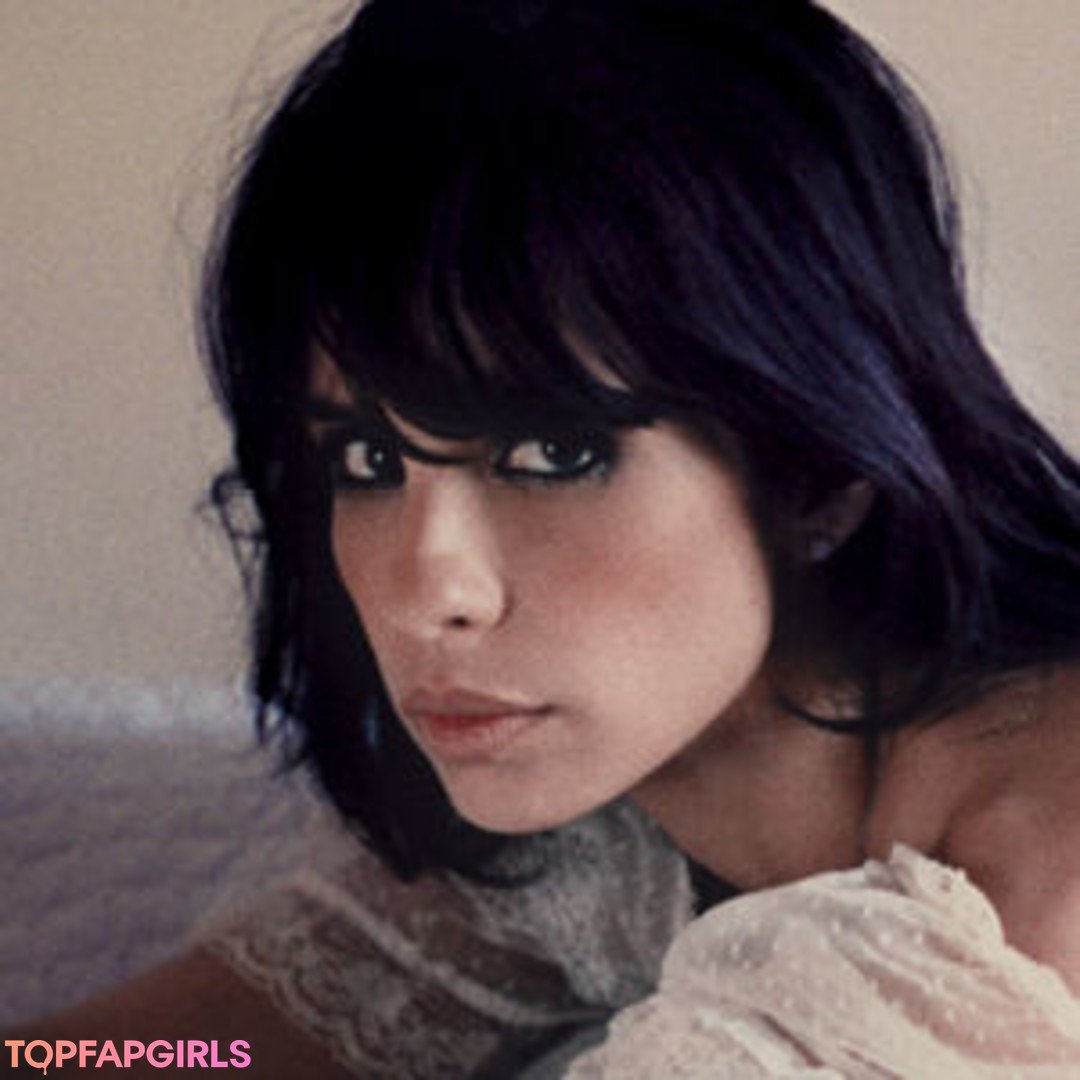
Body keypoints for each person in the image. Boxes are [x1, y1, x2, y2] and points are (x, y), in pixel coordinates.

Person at [9, 0, 1080, 1074]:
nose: (429, 591)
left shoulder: (1015, 905)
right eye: (367, 459)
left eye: (552, 453)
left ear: (818, 470)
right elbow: (185, 1054)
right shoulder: (623, 817)